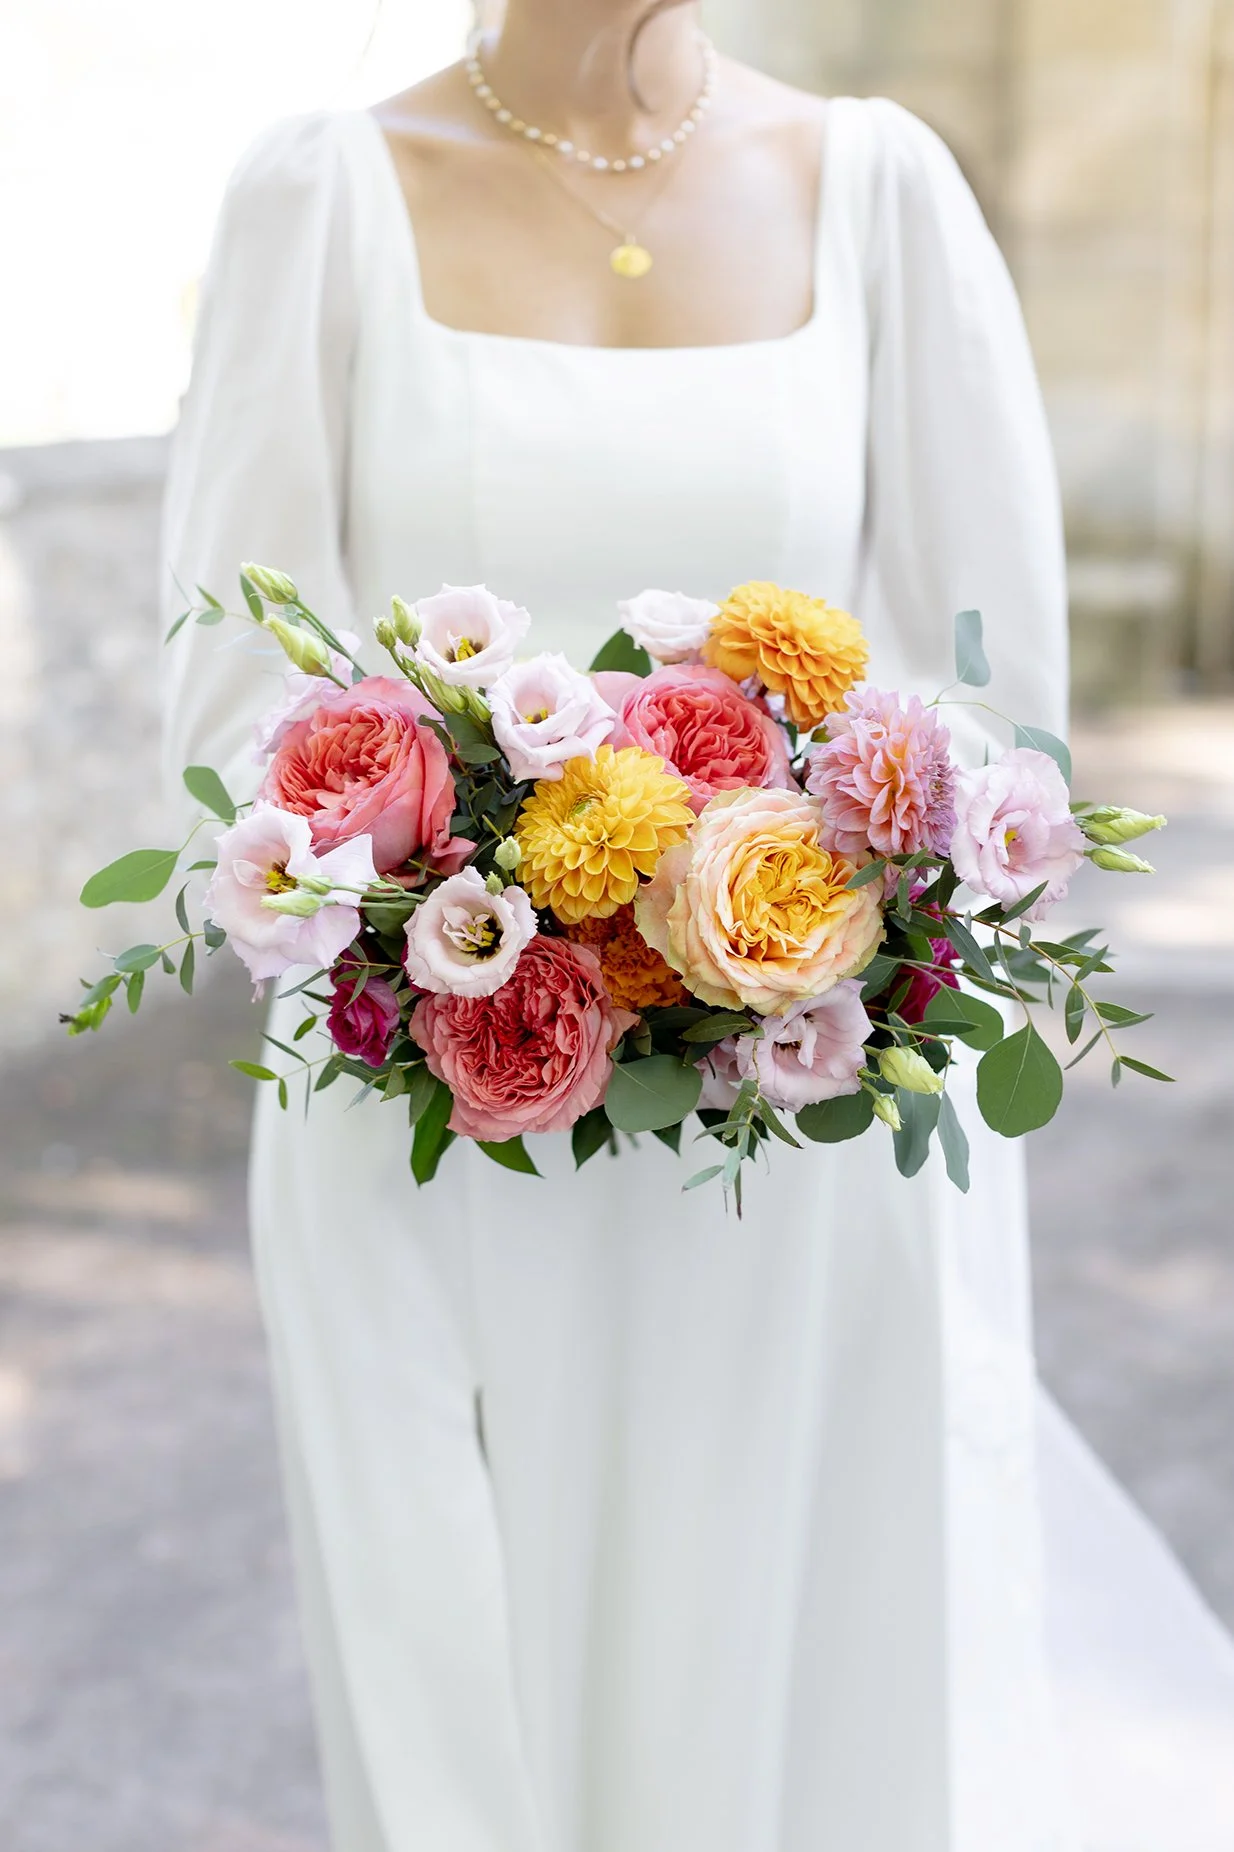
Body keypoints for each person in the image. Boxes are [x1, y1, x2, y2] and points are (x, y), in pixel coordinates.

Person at [161, 3, 1234, 1847]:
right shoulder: (323, 199)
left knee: (829, 1668)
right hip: (437, 1123)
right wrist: (475, 920)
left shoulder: (880, 191)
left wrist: (777, 921)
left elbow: (997, 722)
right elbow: (224, 744)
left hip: (805, 1104)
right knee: (468, 1673)